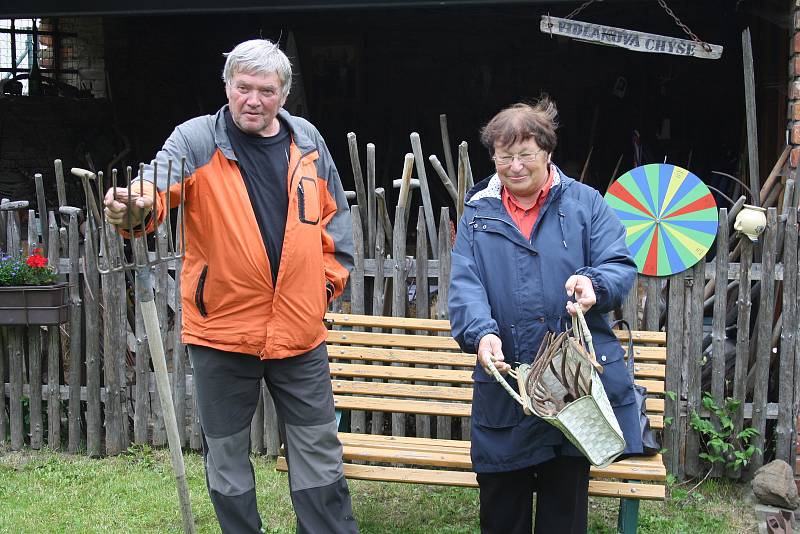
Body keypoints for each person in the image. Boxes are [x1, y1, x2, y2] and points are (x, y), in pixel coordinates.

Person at [103, 39, 358, 534]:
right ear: (228, 87)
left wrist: (320, 291)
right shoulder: (196, 140)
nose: (253, 100)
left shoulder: (307, 140)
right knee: (226, 456)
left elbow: (334, 221)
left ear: (283, 94)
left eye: (266, 90)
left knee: (319, 451)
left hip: (299, 335)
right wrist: (133, 207)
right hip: (222, 332)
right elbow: (153, 190)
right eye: (243, 88)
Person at [448, 96, 640, 534]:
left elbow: (618, 264)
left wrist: (595, 284)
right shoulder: (478, 214)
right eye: (504, 156)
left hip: (571, 389)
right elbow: (465, 286)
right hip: (507, 386)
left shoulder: (586, 204)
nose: (515, 166)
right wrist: (481, 335)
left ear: (547, 153)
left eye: (525, 155)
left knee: (563, 512)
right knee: (501, 509)